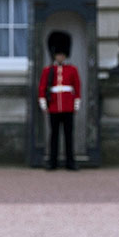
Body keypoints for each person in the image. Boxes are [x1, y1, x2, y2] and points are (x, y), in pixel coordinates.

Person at [38, 30, 81, 170]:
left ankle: (70, 162)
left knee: (69, 136)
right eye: (58, 54)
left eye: (62, 54)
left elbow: (77, 86)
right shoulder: (48, 70)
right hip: (54, 106)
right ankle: (52, 162)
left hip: (68, 106)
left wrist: (76, 103)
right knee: (54, 136)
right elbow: (43, 87)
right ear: (54, 55)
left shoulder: (72, 70)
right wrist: (44, 103)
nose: (60, 57)